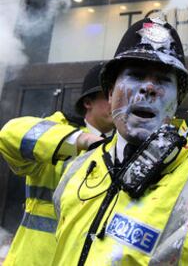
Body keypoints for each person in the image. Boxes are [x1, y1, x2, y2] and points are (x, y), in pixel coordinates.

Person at [0, 18, 188, 265]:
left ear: (177, 101)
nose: (149, 88)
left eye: (163, 80)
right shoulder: (78, 170)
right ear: (109, 93)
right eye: (135, 75)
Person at [1, 62, 113, 266]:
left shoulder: (123, 146)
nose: (117, 102)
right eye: (109, 95)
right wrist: (79, 141)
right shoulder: (58, 129)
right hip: (35, 260)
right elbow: (9, 134)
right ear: (88, 102)